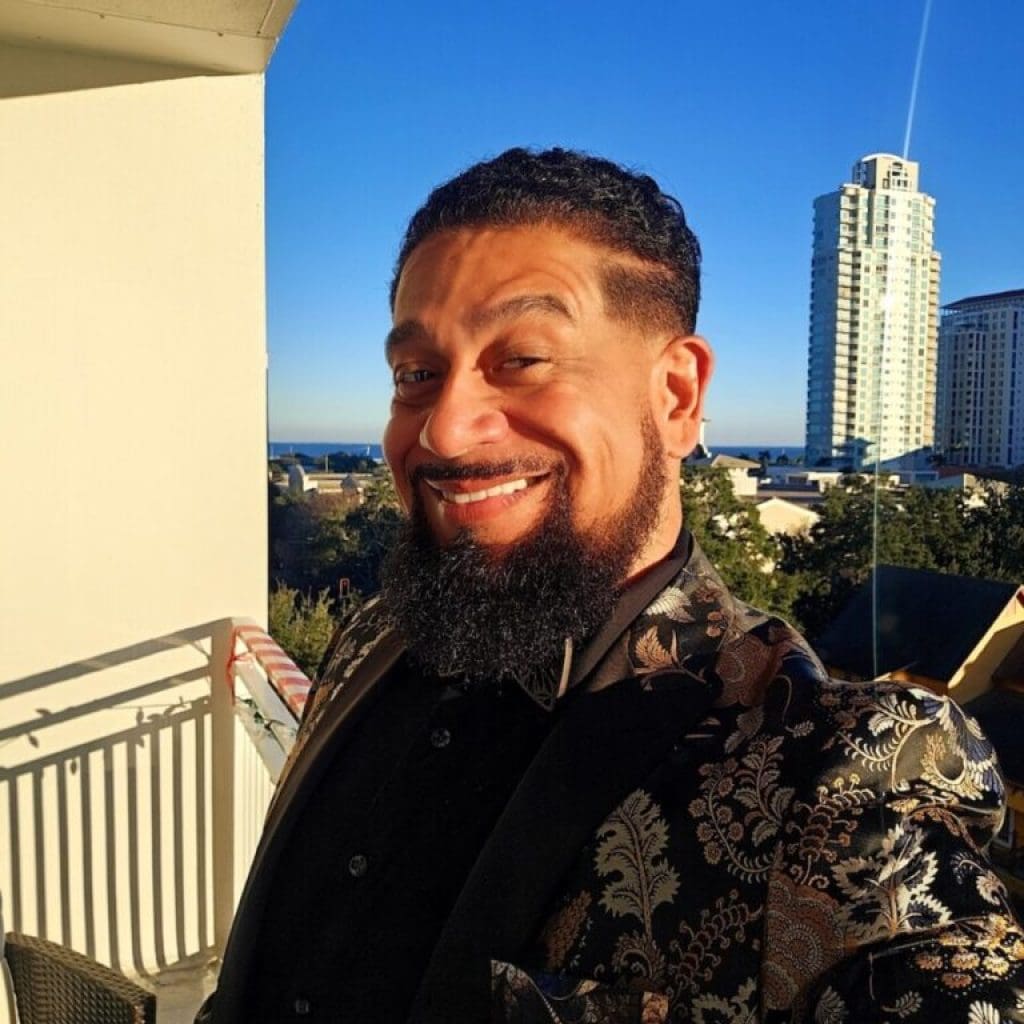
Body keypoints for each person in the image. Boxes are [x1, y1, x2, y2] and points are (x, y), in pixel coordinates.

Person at [200, 148, 1024, 1023]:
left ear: (675, 397)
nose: (443, 429)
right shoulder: (376, 635)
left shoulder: (833, 775)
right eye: (416, 375)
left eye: (520, 358)